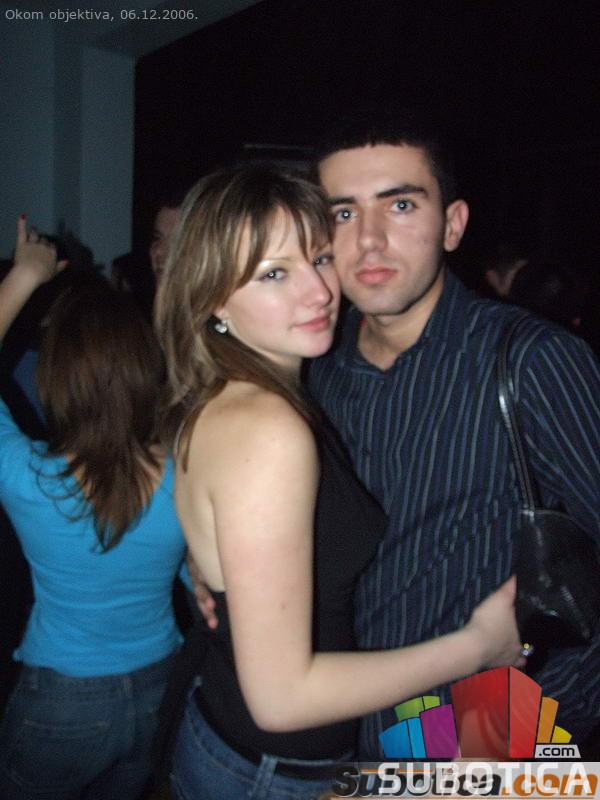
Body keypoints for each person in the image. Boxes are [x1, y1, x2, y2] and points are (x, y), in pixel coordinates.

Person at [154, 163, 524, 800]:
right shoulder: (269, 428)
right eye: (274, 274)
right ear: (213, 298)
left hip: (231, 740)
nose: (319, 292)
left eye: (320, 259)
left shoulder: (242, 392)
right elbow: (281, 699)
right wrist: (480, 645)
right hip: (269, 770)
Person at [306, 110, 600, 756]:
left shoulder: (531, 360)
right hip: (333, 726)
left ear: (453, 224)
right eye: (344, 213)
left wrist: (503, 742)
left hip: (464, 734)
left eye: (401, 205)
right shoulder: (313, 368)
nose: (369, 240)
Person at [0, 217, 187, 799]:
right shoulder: (186, 467)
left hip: (62, 702)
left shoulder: (31, 478)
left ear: (54, 378)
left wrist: (24, 276)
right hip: (160, 686)